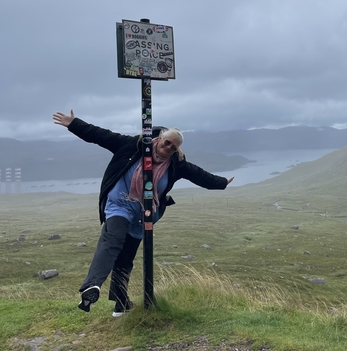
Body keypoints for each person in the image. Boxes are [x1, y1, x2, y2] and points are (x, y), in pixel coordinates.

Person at [52, 110, 234, 316]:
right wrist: (73, 123)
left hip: (143, 215)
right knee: (112, 241)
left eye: (174, 147)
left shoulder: (176, 164)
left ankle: (121, 305)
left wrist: (221, 183)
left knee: (125, 259)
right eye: (167, 143)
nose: (169, 148)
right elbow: (99, 135)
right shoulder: (132, 146)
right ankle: (91, 287)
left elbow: (199, 175)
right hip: (119, 205)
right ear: (160, 139)